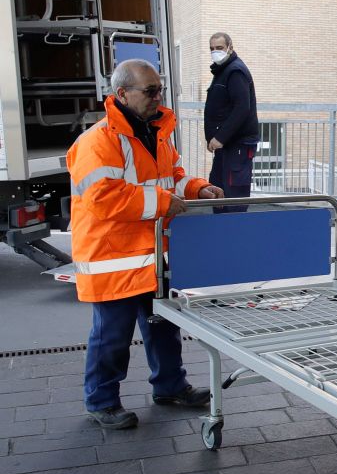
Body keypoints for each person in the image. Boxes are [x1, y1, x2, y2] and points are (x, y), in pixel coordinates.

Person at [69, 59, 224, 429]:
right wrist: (164, 202)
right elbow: (104, 199)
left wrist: (197, 187)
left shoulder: (156, 134)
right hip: (114, 259)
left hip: (151, 256)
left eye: (160, 90)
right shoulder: (97, 142)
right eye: (150, 91)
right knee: (112, 337)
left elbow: (172, 178)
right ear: (121, 94)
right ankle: (101, 400)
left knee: (163, 327)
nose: (158, 97)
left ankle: (170, 386)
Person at [204, 32, 258, 213]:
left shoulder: (235, 71)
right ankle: (221, 235)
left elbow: (242, 108)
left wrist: (220, 137)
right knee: (218, 192)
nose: (215, 52)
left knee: (233, 197)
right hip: (226, 146)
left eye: (219, 48)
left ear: (230, 48)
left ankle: (235, 236)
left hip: (237, 145)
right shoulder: (223, 71)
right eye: (212, 48)